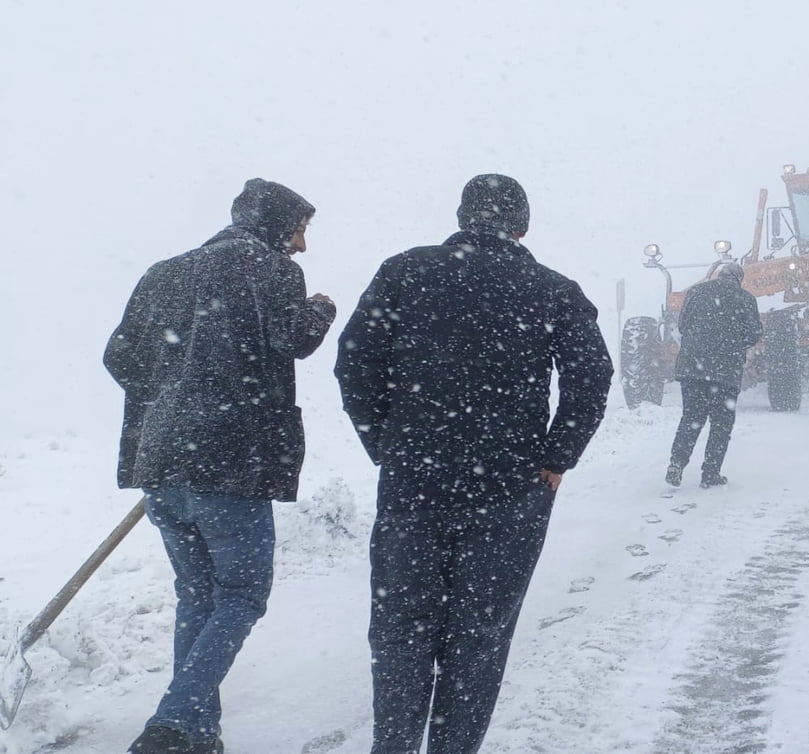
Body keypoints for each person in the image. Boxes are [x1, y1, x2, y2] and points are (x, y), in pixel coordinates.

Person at [334, 174, 613, 754]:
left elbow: (355, 362)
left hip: (414, 483)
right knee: (479, 638)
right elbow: (593, 375)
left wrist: (387, 444)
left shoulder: (405, 271)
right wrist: (557, 457)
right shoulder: (551, 288)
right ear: (523, 225)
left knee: (401, 632)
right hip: (510, 488)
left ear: (464, 217)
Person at [104, 178, 336, 754]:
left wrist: (171, 402)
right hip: (233, 463)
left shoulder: (164, 272)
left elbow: (119, 356)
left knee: (199, 595)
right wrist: (321, 310)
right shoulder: (274, 270)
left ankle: (198, 735)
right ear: (278, 225)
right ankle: (171, 723)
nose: (303, 246)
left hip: (162, 462)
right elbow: (294, 340)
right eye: (301, 230)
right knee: (241, 595)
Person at [665, 261, 762, 488]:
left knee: (691, 418)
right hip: (725, 372)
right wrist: (734, 343)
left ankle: (676, 464)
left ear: (719, 275)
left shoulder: (696, 291)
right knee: (721, 424)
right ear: (739, 278)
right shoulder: (745, 298)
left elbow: (682, 325)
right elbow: (754, 333)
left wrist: (701, 342)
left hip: (692, 369)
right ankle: (710, 472)